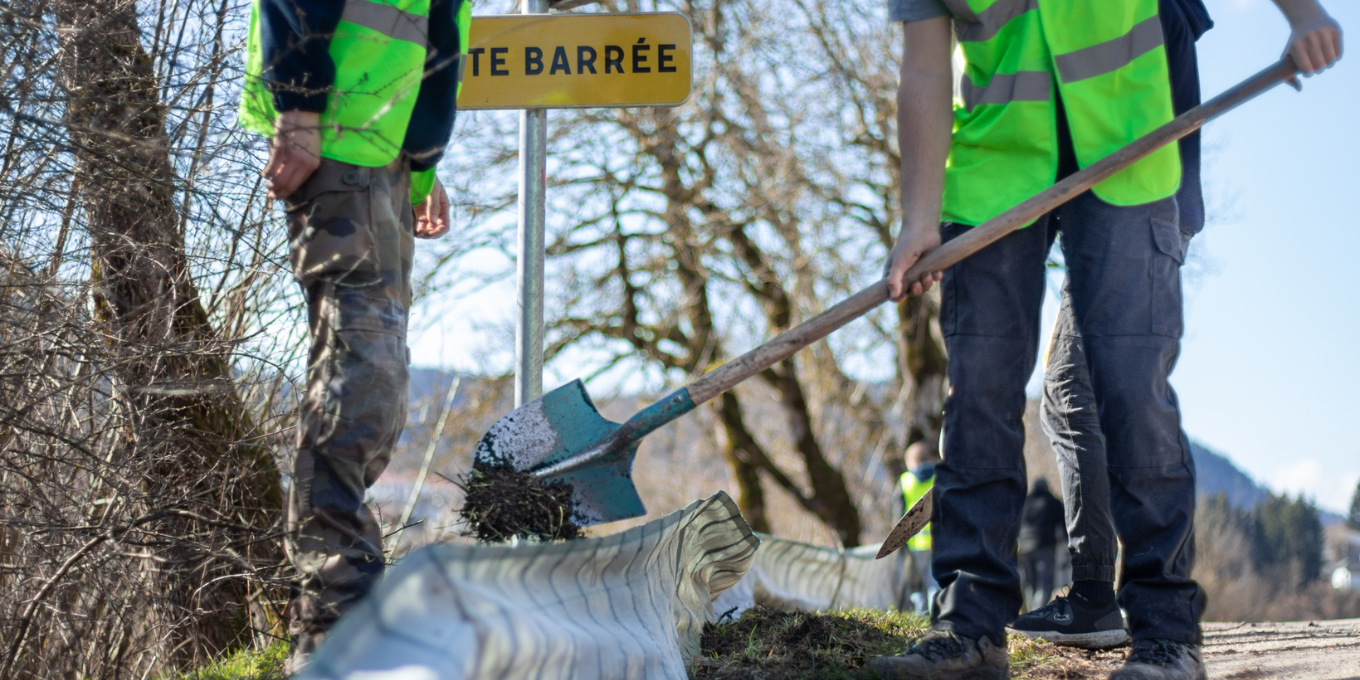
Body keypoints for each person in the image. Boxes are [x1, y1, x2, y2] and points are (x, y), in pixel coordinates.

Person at [870, 0, 1341, 678]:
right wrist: (917, 217)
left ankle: (1165, 634)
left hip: (1127, 144)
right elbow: (923, 66)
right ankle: (969, 627)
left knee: (1128, 389)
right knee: (978, 392)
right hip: (994, 166)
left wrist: (1303, 14)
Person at [236, 0, 471, 672]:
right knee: (357, 377)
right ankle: (336, 627)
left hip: (384, 158)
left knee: (379, 384)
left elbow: (434, 31)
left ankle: (348, 622)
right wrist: (299, 106)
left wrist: (421, 167)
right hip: (335, 138)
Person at [1009, 0, 1212, 650]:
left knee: (1076, 396)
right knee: (1088, 397)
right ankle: (1105, 593)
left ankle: (1101, 595)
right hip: (1131, 215)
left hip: (1132, 216)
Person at [899, 442, 941, 615]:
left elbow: (898, 514)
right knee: (934, 583)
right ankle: (937, 618)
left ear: (910, 462)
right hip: (937, 541)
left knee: (917, 584)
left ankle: (920, 617)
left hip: (914, 542)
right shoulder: (939, 478)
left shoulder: (905, 481)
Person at [1017, 478, 1066, 612]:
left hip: (1024, 548)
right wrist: (1067, 543)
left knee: (1030, 584)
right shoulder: (1051, 501)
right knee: (1044, 584)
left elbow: (1016, 523)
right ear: (1047, 487)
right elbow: (1063, 523)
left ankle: (1029, 614)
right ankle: (1037, 614)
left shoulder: (1025, 502)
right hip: (1043, 546)